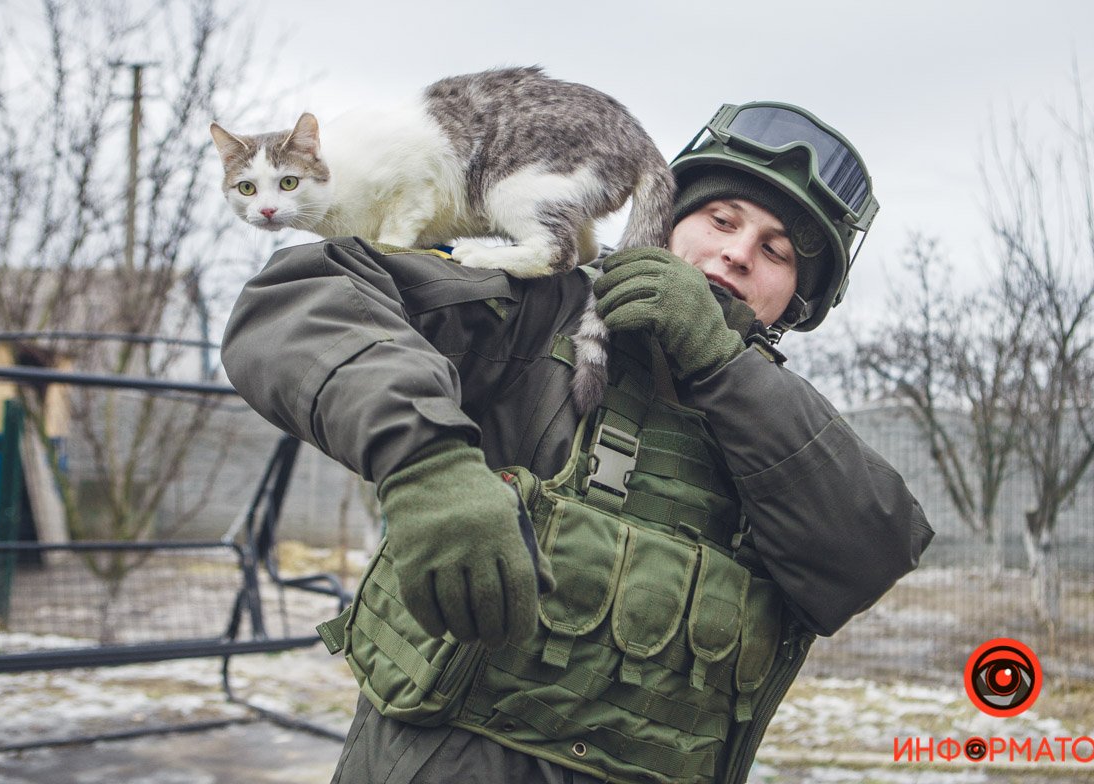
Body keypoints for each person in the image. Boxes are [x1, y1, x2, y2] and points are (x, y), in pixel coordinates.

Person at [221, 100, 934, 784]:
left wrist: (720, 364)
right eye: (721, 218)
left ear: (798, 301)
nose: (737, 253)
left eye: (774, 251)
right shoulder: (542, 307)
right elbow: (305, 297)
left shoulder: (782, 423)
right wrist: (426, 463)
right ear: (669, 217)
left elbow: (868, 550)